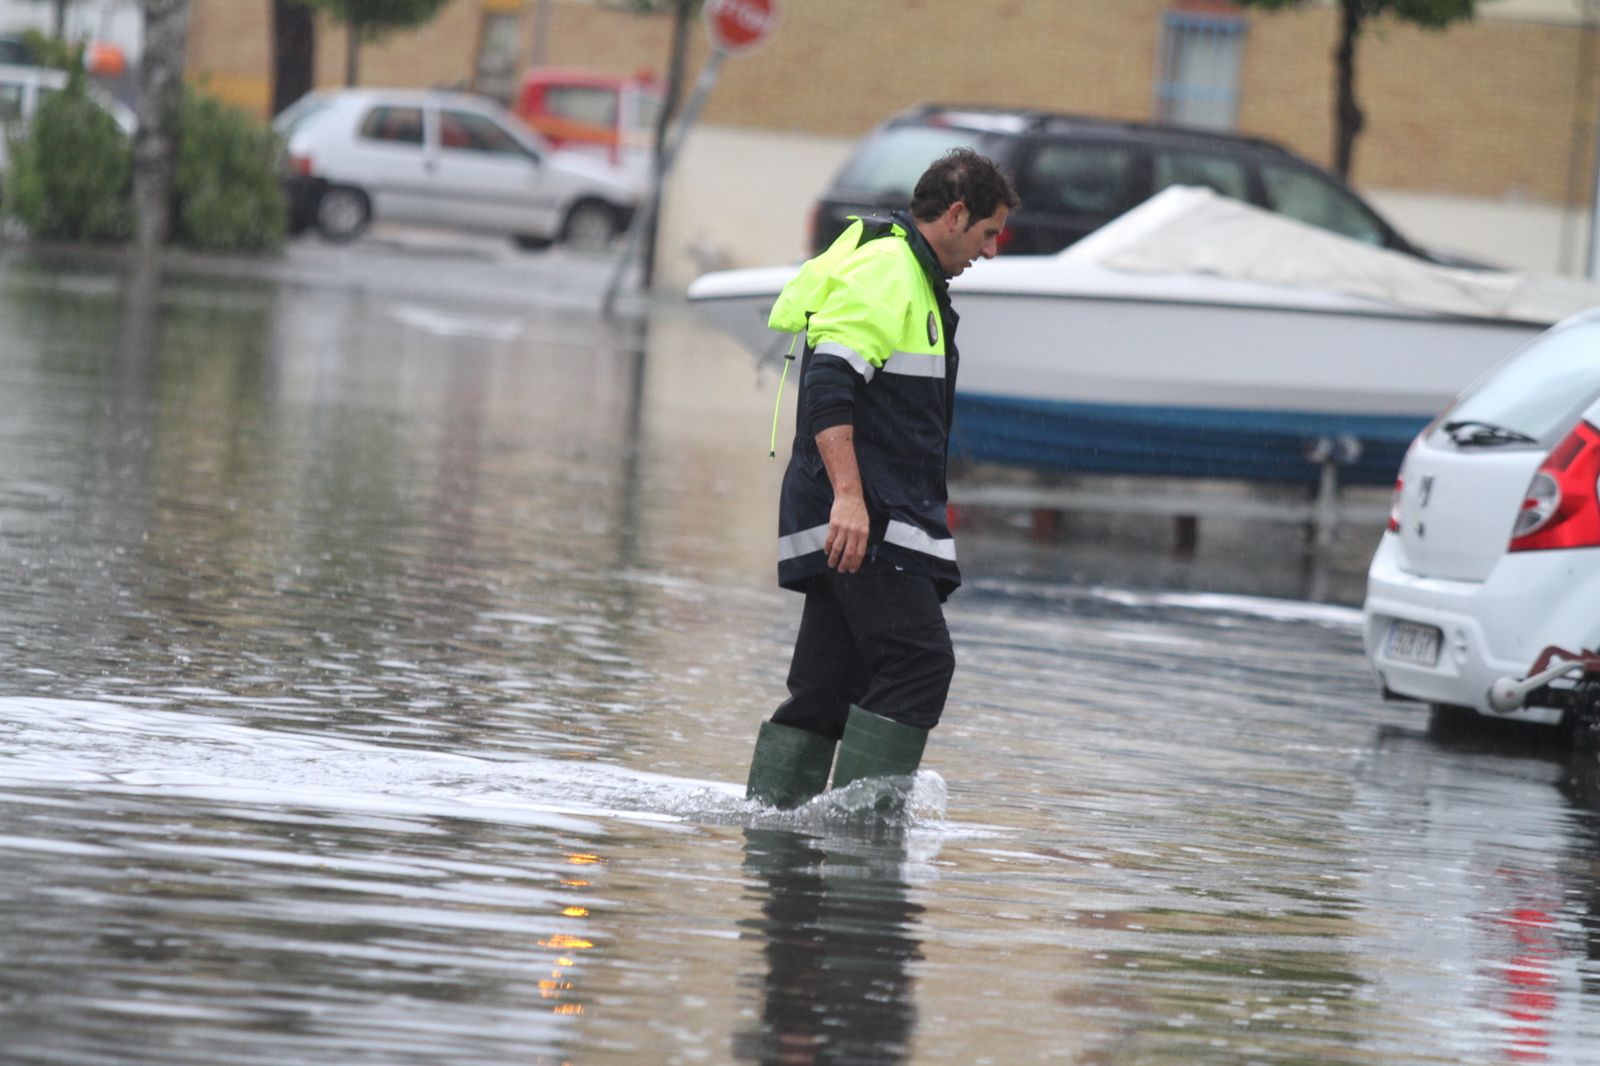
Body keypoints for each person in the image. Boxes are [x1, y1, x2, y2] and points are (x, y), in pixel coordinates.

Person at [745, 148, 1020, 809]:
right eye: (988, 233)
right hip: (863, 519)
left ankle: (777, 836)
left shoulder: (912, 277)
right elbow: (829, 383)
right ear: (955, 215)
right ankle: (860, 848)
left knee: (826, 686)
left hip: (868, 514)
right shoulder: (889, 269)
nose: (990, 251)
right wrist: (848, 499)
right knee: (920, 661)